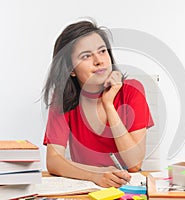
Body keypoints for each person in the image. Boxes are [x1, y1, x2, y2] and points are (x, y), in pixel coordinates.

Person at [42, 18, 154, 188]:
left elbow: (134, 164)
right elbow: (54, 161)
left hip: (127, 188)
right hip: (87, 188)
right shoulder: (63, 100)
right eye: (86, 56)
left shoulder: (132, 90)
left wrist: (109, 105)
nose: (99, 60)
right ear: (71, 69)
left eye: (102, 51)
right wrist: (94, 175)